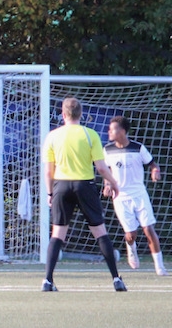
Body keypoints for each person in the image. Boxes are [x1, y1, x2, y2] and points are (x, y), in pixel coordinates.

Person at [42, 97, 126, 292]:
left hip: (61, 186)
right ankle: (116, 279)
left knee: (57, 234)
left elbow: (48, 171)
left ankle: (47, 281)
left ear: (63, 115)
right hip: (85, 185)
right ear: (81, 114)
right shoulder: (90, 134)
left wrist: (50, 192)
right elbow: (102, 168)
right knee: (100, 232)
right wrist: (114, 183)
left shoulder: (52, 136)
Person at [103, 115, 165, 275]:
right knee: (131, 235)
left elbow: (153, 164)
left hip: (139, 194)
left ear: (123, 131)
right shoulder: (107, 150)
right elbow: (106, 171)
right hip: (120, 197)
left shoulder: (138, 148)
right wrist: (107, 185)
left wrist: (155, 171)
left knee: (148, 229)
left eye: (113, 129)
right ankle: (131, 248)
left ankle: (160, 267)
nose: (109, 132)